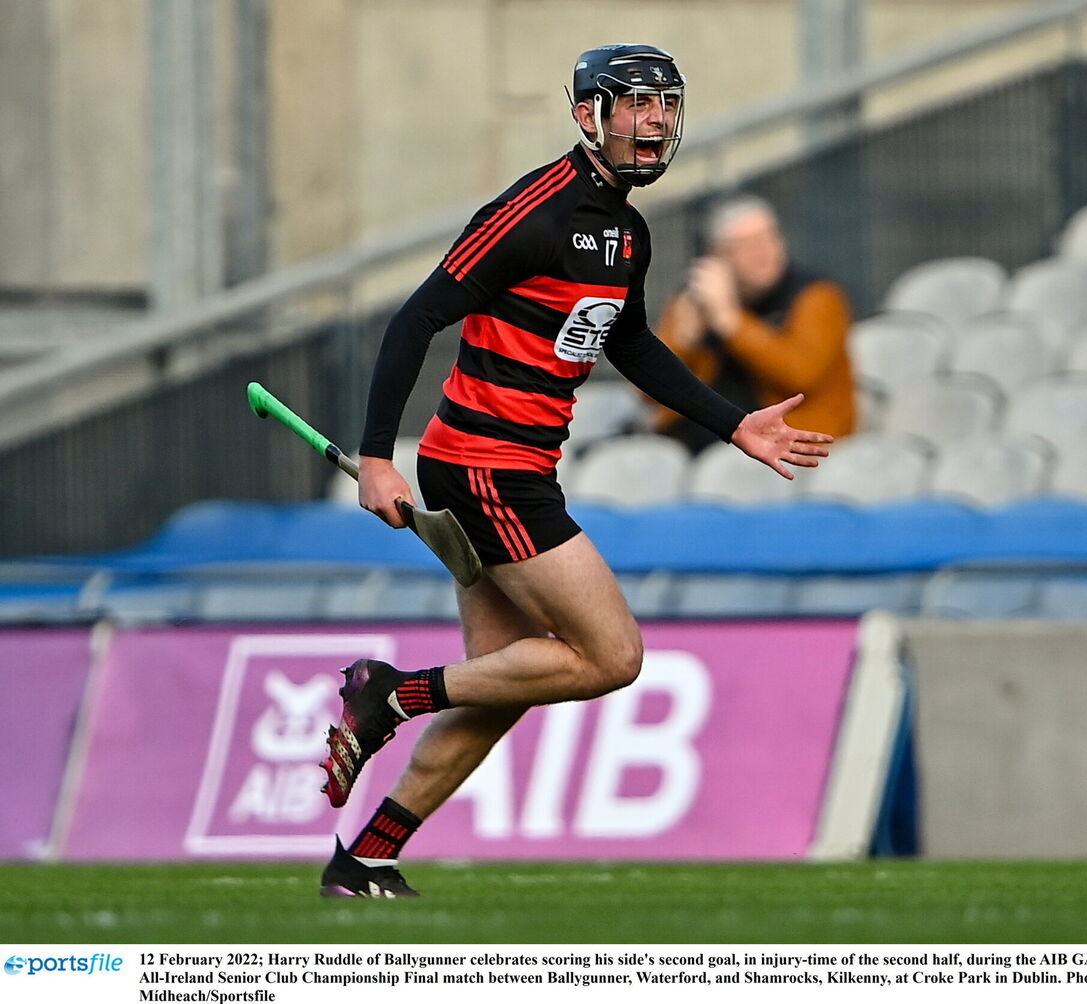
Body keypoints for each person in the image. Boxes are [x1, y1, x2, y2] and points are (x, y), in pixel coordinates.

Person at [317, 44, 834, 898]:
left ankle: (366, 856)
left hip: (514, 471)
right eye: (635, 104)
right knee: (613, 655)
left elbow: (628, 342)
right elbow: (417, 318)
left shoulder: (626, 229)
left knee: (503, 683)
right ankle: (389, 694)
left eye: (666, 105)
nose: (656, 121)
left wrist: (734, 423)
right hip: (487, 468)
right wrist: (377, 455)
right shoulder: (535, 209)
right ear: (587, 114)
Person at [651, 193, 857, 453]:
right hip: (696, 442)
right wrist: (685, 341)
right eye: (746, 245)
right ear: (717, 255)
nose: (763, 252)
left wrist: (730, 321)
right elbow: (648, 394)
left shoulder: (817, 296)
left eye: (769, 237)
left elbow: (800, 375)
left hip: (788, 445)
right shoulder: (695, 299)